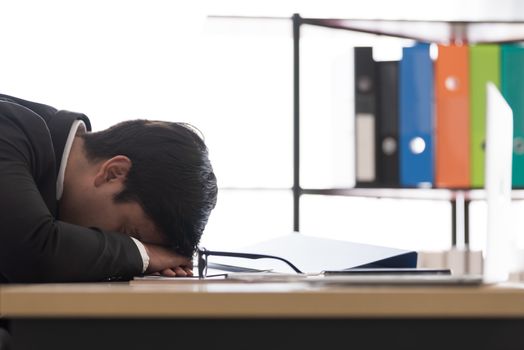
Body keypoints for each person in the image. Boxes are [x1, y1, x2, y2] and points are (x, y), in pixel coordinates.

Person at [0, 94, 218, 282]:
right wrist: (143, 254)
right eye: (127, 234)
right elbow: (29, 251)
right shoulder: (9, 129)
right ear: (113, 172)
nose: (115, 244)